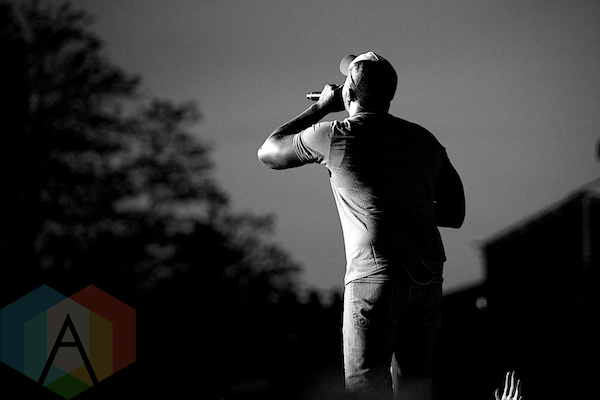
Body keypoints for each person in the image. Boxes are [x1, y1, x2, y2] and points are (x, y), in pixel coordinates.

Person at [257, 51, 465, 399]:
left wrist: (322, 107)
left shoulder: (334, 135)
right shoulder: (424, 140)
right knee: (415, 388)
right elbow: (455, 214)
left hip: (373, 275)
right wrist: (404, 209)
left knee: (366, 390)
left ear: (349, 93)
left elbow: (268, 152)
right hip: (427, 273)